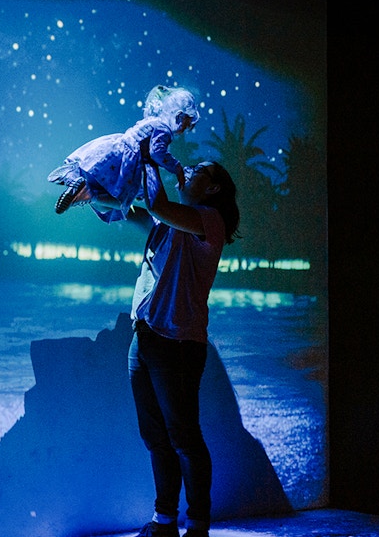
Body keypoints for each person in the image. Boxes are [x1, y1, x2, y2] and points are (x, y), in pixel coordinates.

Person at [98, 160, 239, 537]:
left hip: (177, 344)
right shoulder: (170, 222)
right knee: (156, 437)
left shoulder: (209, 220)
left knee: (184, 439)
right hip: (144, 337)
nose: (188, 169)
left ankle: (197, 527)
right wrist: (92, 189)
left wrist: (148, 156)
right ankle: (164, 523)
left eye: (199, 171)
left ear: (212, 189)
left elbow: (157, 205)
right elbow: (129, 210)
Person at [47, 85, 199, 222]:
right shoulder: (164, 130)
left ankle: (73, 180)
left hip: (116, 147)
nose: (184, 130)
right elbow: (157, 152)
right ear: (179, 116)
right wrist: (176, 167)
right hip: (130, 160)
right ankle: (88, 194)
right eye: (186, 125)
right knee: (122, 200)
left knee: (97, 180)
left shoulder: (151, 121)